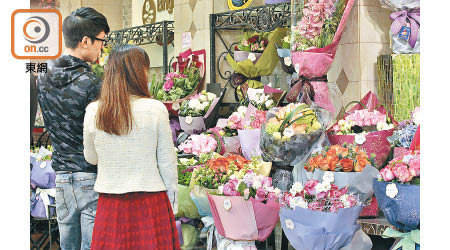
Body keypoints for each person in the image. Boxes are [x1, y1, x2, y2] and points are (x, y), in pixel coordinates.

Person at [83, 45, 180, 250]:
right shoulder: (155, 109)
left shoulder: (94, 111)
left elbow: (91, 157)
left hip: (111, 203)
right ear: (139, 72)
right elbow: (167, 161)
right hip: (151, 202)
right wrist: (173, 199)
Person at [36, 7, 109, 250]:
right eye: (101, 41)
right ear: (85, 41)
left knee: (68, 245)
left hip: (63, 178)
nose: (102, 48)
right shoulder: (92, 83)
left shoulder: (42, 76)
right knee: (92, 245)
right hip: (90, 175)